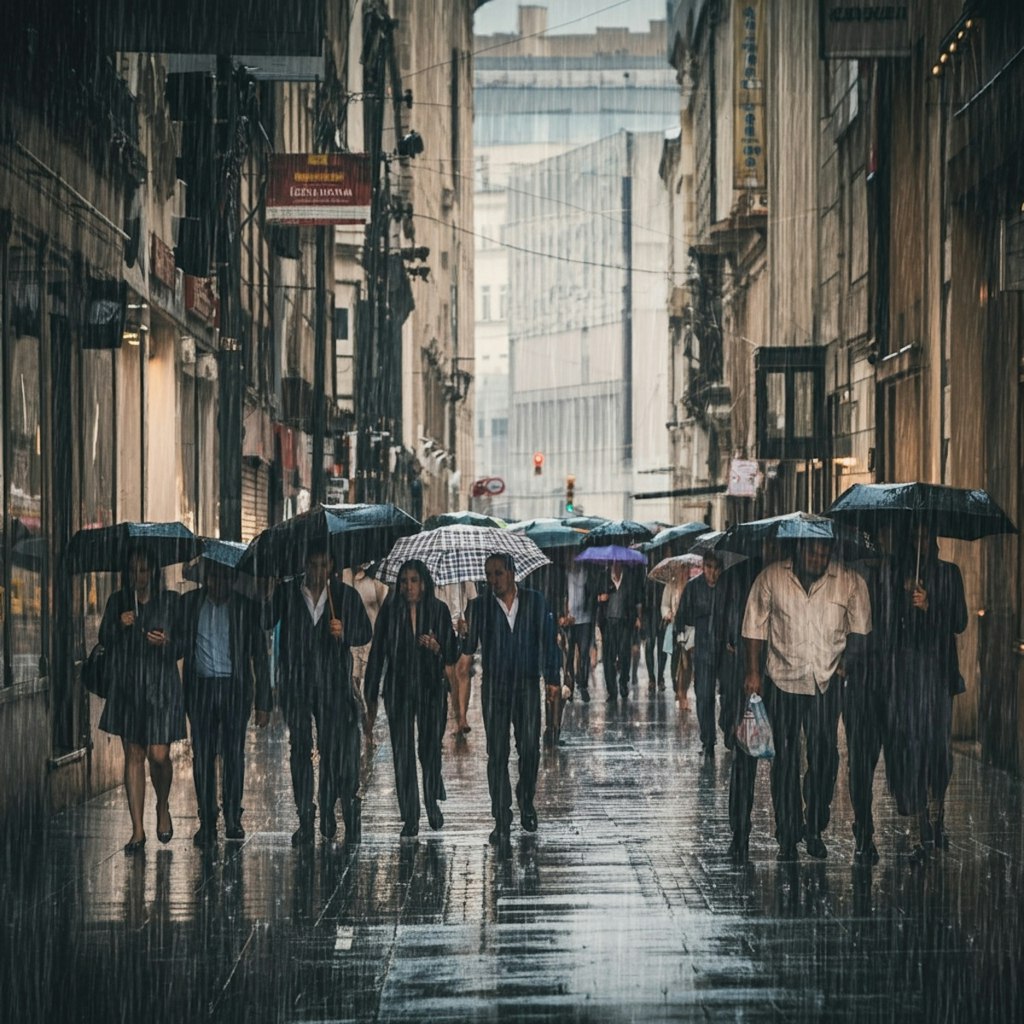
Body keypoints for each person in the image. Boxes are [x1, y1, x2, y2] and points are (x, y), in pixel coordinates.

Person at [733, 538, 870, 864]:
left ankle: (815, 822)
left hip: (826, 681)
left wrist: (847, 663)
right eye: (812, 551)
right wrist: (753, 671)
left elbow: (861, 629)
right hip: (783, 680)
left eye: (824, 551)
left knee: (825, 756)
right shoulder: (771, 577)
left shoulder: (849, 581)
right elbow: (753, 626)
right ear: (798, 550)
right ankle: (788, 831)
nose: (819, 557)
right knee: (786, 759)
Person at [270, 546, 372, 845]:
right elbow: (264, 620)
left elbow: (364, 632)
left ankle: (328, 807)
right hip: (297, 685)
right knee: (300, 748)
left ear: (332, 567)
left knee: (330, 750)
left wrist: (345, 631)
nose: (317, 572)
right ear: (304, 564)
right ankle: (305, 816)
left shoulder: (344, 596)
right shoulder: (288, 593)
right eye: (312, 564)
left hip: (332, 685)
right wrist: (268, 589)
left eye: (323, 565)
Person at [461, 552, 561, 851]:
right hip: (495, 688)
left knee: (530, 748)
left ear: (513, 573)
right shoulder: (478, 607)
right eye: (488, 575)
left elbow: (548, 640)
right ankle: (501, 816)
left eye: (498, 574)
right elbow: (466, 648)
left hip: (528, 685)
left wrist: (553, 679)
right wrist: (460, 634)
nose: (493, 580)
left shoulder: (535, 601)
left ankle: (526, 798)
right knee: (498, 753)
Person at [884, 523, 967, 863]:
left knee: (938, 748)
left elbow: (959, 621)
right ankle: (920, 824)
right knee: (913, 746)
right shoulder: (899, 576)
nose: (921, 542)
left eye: (925, 536)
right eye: (914, 536)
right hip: (908, 676)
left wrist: (930, 606)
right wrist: (905, 603)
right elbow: (888, 625)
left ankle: (938, 810)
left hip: (938, 673)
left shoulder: (949, 574)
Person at [363, 560, 461, 838]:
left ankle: (431, 801)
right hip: (399, 690)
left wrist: (439, 645)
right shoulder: (390, 612)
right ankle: (410, 815)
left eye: (414, 580)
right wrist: (370, 692)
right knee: (402, 754)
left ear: (424, 582)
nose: (408, 586)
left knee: (429, 750)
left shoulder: (439, 611)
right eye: (404, 581)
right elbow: (377, 652)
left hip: (431, 690)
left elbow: (453, 654)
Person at [178, 559, 272, 846]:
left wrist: (263, 702)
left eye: (223, 577)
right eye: (213, 576)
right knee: (203, 757)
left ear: (232, 579)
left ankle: (233, 816)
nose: (217, 582)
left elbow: (260, 655)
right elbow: (179, 644)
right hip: (202, 689)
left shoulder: (246, 607)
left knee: (233, 755)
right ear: (206, 578)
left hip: (234, 689)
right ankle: (207, 820)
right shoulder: (190, 604)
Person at [98, 547, 184, 853]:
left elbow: (183, 643)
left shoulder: (170, 602)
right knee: (134, 754)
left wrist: (166, 642)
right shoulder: (119, 602)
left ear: (154, 571)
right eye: (134, 570)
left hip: (160, 689)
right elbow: (104, 639)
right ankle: (137, 830)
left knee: (159, 755)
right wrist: (118, 625)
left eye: (144, 570)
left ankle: (162, 806)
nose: (139, 577)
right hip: (128, 687)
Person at [676, 552, 728, 758]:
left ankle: (725, 723)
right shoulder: (693, 587)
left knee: (728, 693)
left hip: (725, 648)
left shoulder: (727, 587)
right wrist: (687, 644)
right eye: (708, 567)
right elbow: (682, 618)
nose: (712, 573)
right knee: (704, 695)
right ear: (703, 566)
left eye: (716, 568)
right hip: (702, 647)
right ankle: (708, 738)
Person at [596, 560, 644, 702]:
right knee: (608, 658)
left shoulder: (629, 577)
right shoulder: (604, 577)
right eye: (614, 563)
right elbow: (594, 596)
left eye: (619, 563)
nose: (616, 566)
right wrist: (600, 598)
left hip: (625, 621)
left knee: (624, 655)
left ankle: (623, 683)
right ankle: (612, 690)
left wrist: (638, 617)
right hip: (608, 622)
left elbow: (636, 599)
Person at [437, 580, 477, 735]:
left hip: (462, 627)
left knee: (462, 670)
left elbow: (472, 599)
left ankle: (462, 718)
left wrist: (467, 621)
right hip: (442, 628)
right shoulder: (434, 572)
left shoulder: (463, 569)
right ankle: (457, 713)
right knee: (450, 673)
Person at [563, 554, 600, 704]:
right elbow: (564, 596)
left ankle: (583, 685)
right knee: (570, 655)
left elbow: (592, 595)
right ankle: (570, 685)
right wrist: (564, 614)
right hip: (570, 620)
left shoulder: (588, 576)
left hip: (585, 619)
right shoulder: (566, 576)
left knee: (584, 654)